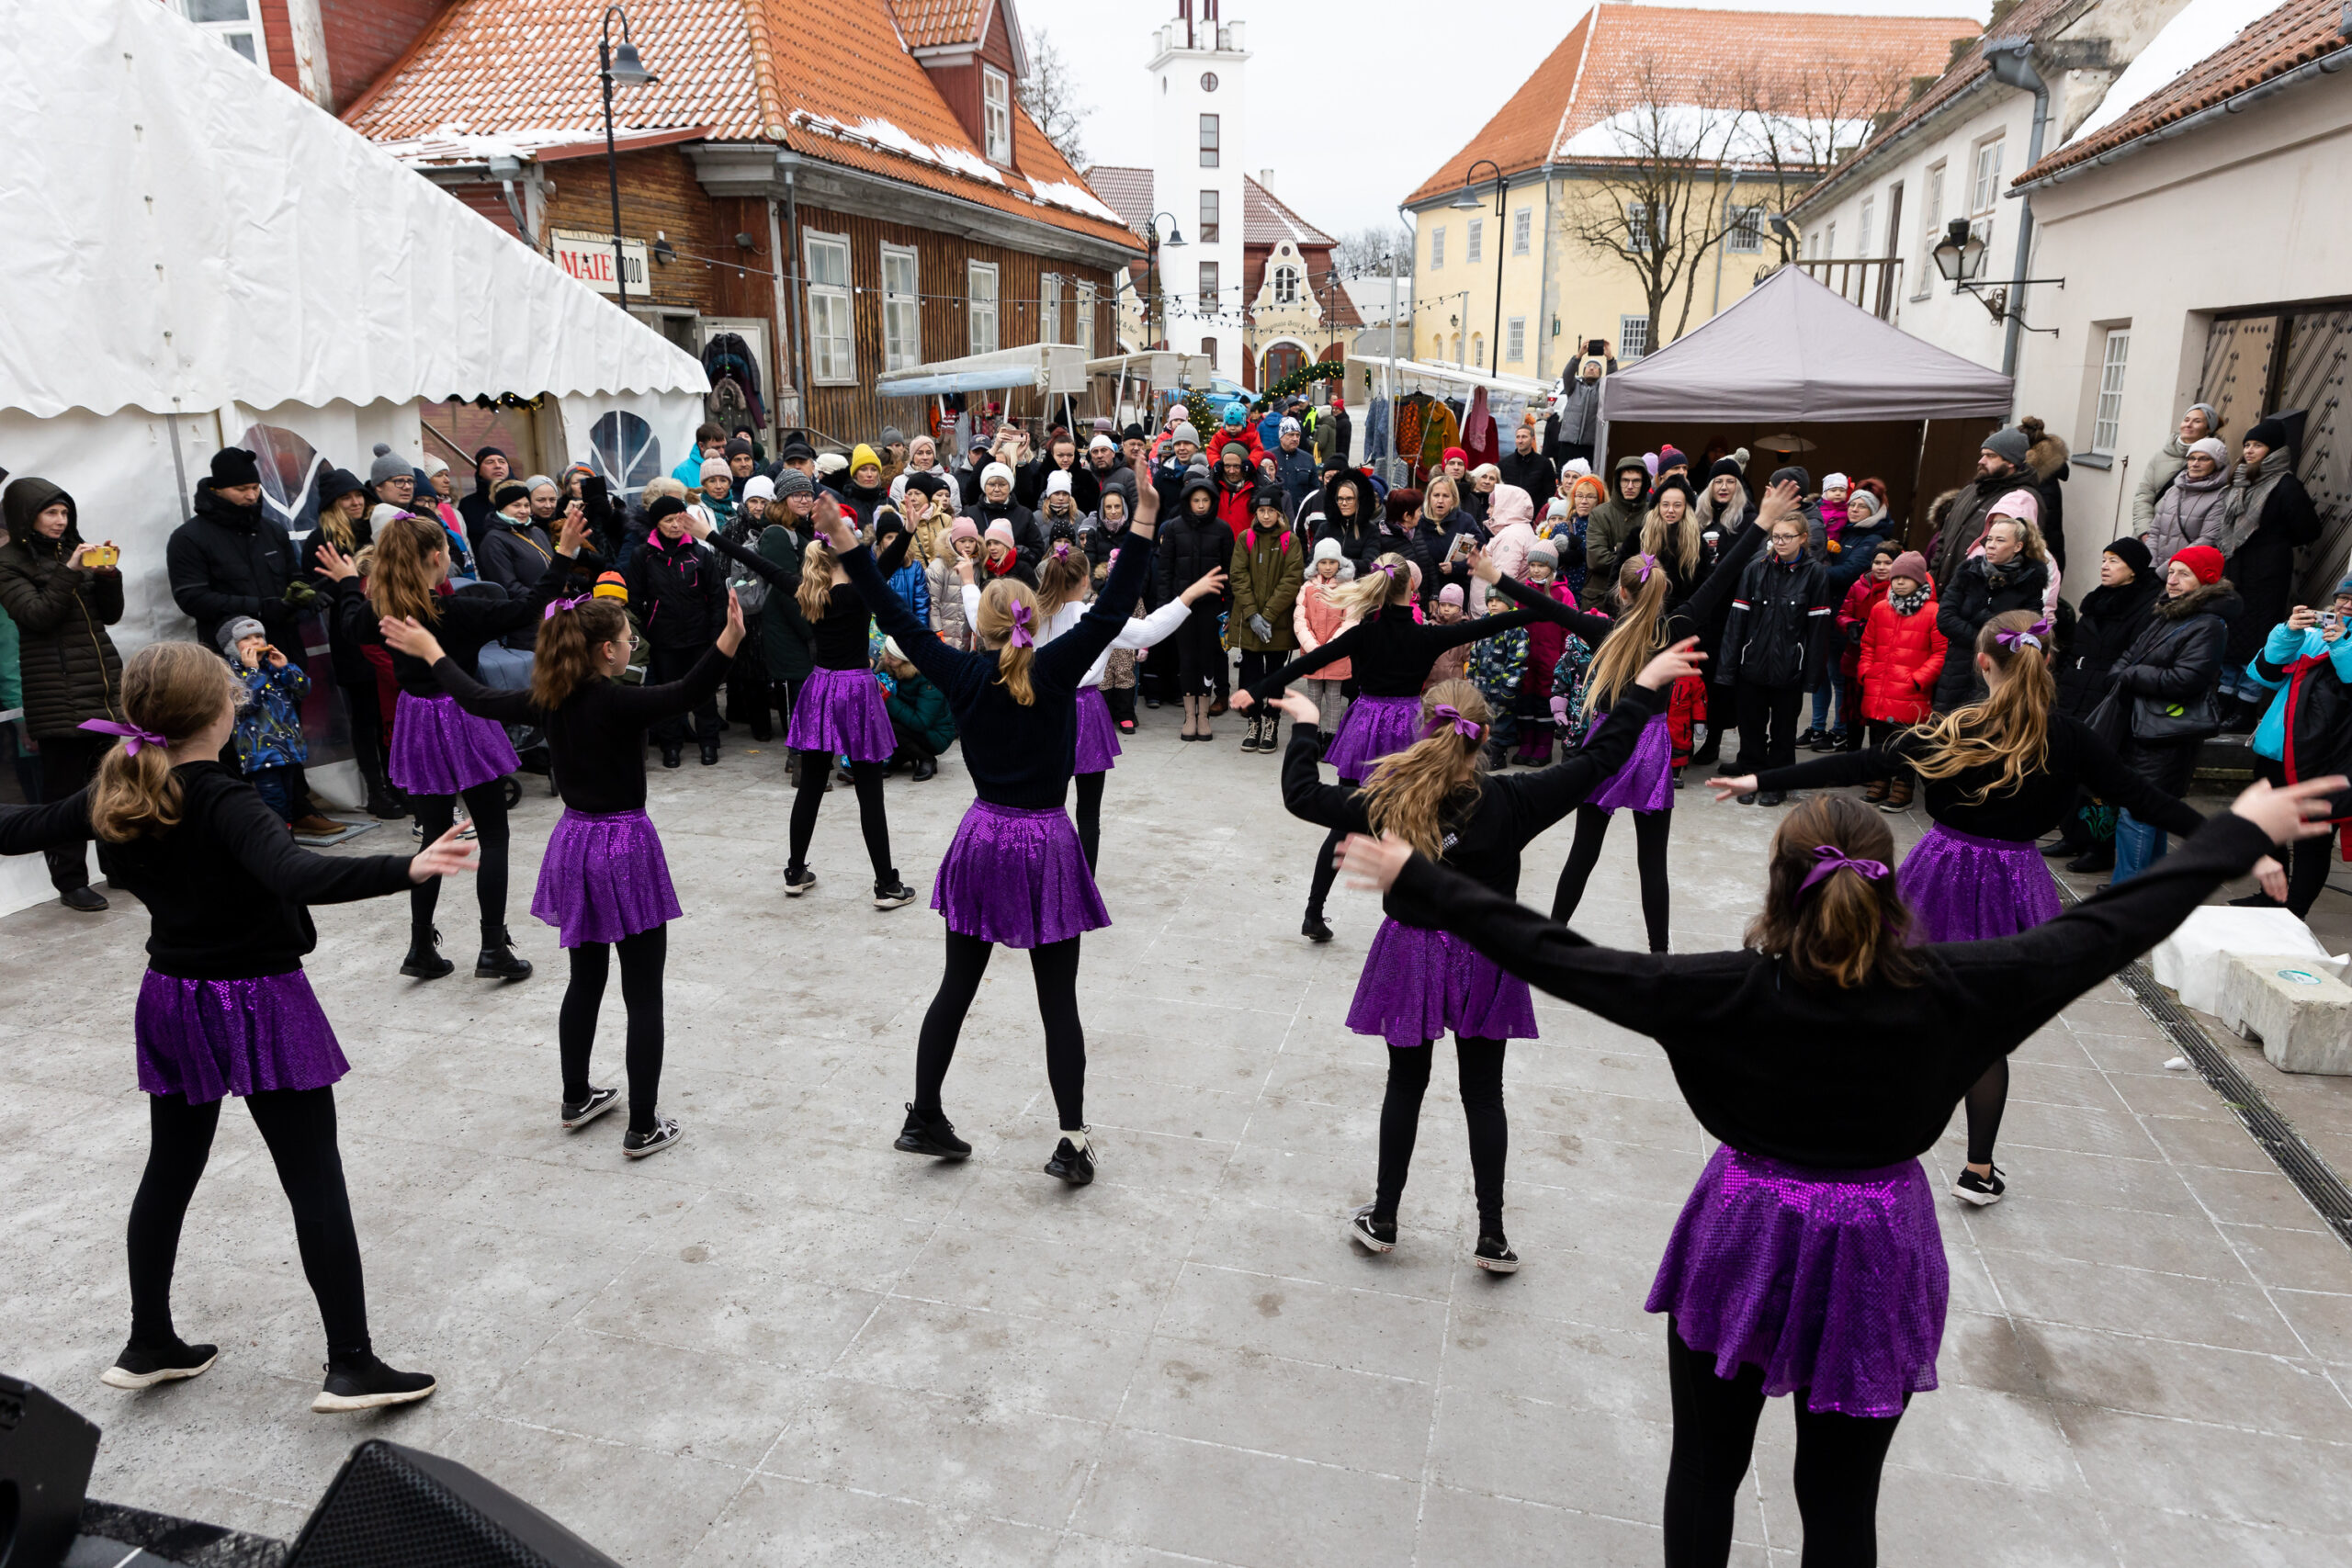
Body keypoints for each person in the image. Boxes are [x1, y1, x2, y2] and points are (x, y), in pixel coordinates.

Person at [1340, 773, 2340, 1568]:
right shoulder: (1963, 990)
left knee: (1706, 1467)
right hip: (1879, 1240)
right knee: (1840, 1500)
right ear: (1890, 884)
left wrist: (1420, 882)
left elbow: (1562, 955)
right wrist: (2234, 830)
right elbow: (2105, 927)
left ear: (1776, 885)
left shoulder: (1718, 992)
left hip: (1744, 1226)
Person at [0, 640, 478, 1411]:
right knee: (313, 1175)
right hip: (257, 999)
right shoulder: (224, 798)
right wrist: (409, 865)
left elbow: (15, 829)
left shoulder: (121, 788)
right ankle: (351, 1362)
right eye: (229, 692)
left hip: (172, 996)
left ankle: (148, 1339)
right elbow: (297, 874)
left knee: (171, 1167)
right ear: (216, 713)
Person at [1722, 605, 2218, 1204]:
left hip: (1941, 873)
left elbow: (1866, 763)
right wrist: (2242, 840)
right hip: (2014, 884)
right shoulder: (2070, 738)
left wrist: (1760, 777)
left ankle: (1867, 1131)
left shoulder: (1956, 729)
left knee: (1897, 998)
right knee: (1982, 1032)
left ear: (1983, 663)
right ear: (2047, 662)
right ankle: (1978, 1170)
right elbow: (2146, 798)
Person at [1268, 648, 1699, 1266]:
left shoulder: (1389, 798)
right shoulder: (1516, 801)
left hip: (1411, 955)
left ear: (1425, 728)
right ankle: (1491, 1234)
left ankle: (1385, 1217)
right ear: (1485, 736)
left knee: (1406, 1084)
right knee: (1483, 1092)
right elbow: (1602, 758)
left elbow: (1303, 794)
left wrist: (1308, 724)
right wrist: (1646, 688)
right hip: (1488, 956)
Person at [825, 488, 1163, 1185]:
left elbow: (892, 614)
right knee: (1058, 1001)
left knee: (955, 984)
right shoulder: (1056, 665)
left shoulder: (961, 670)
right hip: (1043, 843)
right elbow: (1109, 608)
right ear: (1034, 620)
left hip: (982, 837)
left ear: (978, 628)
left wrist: (849, 546)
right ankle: (1070, 1140)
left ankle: (924, 1114)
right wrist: (1145, 522)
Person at [381, 585, 748, 1158]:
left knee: (586, 978)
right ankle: (643, 1124)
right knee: (643, 991)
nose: (632, 648)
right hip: (625, 845)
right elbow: (690, 690)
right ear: (606, 650)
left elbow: (474, 696)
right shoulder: (619, 700)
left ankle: (576, 1096)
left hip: (575, 840)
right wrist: (729, 639)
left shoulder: (545, 698)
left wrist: (432, 651)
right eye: (628, 640)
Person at [314, 512, 590, 981]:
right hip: (464, 713)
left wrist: (347, 583)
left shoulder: (376, 614)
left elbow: (348, 625)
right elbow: (526, 608)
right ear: (439, 557)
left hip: (416, 721)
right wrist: (562, 555)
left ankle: (421, 946)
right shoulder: (457, 611)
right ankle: (492, 947)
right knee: (494, 833)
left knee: (434, 837)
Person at [1232, 551, 1549, 942]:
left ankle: (1314, 911)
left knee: (1345, 822)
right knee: (1415, 821)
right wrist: (1544, 606)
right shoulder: (1427, 635)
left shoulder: (1364, 633)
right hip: (1406, 733)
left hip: (1365, 725)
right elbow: (1504, 621)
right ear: (1412, 588)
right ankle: (1411, 913)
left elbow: (1301, 665)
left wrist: (1255, 689)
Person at [0, 475, 128, 908]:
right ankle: (70, 881)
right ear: (26, 516)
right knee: (64, 796)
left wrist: (108, 577)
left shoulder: (75, 551)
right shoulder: (8, 562)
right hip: (57, 697)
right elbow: (37, 615)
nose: (60, 521)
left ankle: (118, 866)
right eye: (51, 513)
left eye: (65, 513)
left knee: (111, 784)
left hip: (102, 691)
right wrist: (70, 572)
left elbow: (109, 616)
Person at [2109, 545, 2239, 882]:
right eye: (2172, 572)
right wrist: (2128, 671)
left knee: (2137, 813)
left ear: (2205, 580)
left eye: (2184, 574)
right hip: (2143, 724)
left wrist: (2132, 675)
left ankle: (2127, 893)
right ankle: (2144, 888)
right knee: (2149, 813)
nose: (2173, 580)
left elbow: (2186, 679)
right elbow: (2128, 655)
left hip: (2167, 731)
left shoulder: (2208, 624)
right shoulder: (2169, 612)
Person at [2049, 538, 2164, 868]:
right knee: (2068, 766)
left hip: (2106, 695)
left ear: (2134, 569)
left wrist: (2107, 681)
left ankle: (2098, 847)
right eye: (2104, 559)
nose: (2104, 566)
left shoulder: (2145, 606)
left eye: (2114, 560)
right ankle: (2072, 835)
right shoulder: (2097, 600)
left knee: (2098, 773)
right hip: (2074, 690)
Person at [2239, 581, 2352, 916]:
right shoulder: (2313, 633)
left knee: (2311, 838)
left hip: (2326, 757)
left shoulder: (2338, 639)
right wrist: (2287, 633)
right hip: (2278, 748)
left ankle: (2294, 912)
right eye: (2342, 598)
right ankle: (2271, 897)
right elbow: (2264, 673)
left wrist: (2343, 644)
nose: (2345, 606)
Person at [301, 474, 401, 819]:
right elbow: (312, 589)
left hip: (388, 628)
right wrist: (348, 581)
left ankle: (398, 783)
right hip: (351, 635)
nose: (356, 502)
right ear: (331, 504)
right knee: (366, 717)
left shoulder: (375, 528)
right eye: (346, 498)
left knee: (392, 713)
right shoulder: (322, 539)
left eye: (358, 495)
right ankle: (377, 790)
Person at [1720, 508, 1837, 800]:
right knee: (1751, 728)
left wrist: (1812, 676)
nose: (1781, 542)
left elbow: (1819, 629)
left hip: (1790, 668)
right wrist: (1728, 667)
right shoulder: (1755, 570)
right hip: (1753, 664)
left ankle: (1775, 783)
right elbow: (1737, 622)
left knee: (1784, 731)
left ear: (1803, 538)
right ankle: (1750, 777)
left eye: (1787, 536)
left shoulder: (1815, 574)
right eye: (1776, 537)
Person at [2216, 417, 2324, 727]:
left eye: (2257, 445)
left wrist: (2274, 543)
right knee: (2231, 635)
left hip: (2266, 578)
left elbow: (2308, 529)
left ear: (2274, 450)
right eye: (2247, 444)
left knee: (2256, 639)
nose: (2249, 451)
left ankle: (2246, 707)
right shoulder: (2241, 481)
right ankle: (2224, 700)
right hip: (2235, 571)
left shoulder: (2286, 485)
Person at [626, 495, 729, 769]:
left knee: (703, 691)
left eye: (679, 519)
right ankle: (671, 745)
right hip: (662, 637)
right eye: (668, 520)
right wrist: (643, 632)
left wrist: (716, 632)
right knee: (667, 693)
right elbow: (634, 598)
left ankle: (709, 741)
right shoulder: (643, 556)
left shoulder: (700, 553)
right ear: (656, 524)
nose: (675, 525)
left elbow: (717, 596)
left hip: (700, 635)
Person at [1849, 551, 1945, 810]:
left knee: (1906, 742)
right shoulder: (1881, 609)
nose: (1900, 582)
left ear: (1920, 580)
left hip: (1910, 692)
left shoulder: (1933, 612)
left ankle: (1903, 787)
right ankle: (1879, 781)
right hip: (1879, 687)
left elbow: (1940, 652)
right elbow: (1868, 643)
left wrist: (1918, 680)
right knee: (1879, 739)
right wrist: (1866, 672)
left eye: (1907, 577)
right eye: (1896, 577)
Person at [1933, 509, 2051, 712]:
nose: (1991, 545)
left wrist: (1993, 643)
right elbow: (1945, 618)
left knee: (1988, 726)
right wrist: (1989, 638)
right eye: (1990, 539)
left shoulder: (2030, 581)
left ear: (2017, 546)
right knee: (1947, 726)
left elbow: (2032, 628)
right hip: (1958, 666)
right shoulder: (1967, 572)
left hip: (2001, 667)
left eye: (2000, 540)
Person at [1159, 471, 1236, 741]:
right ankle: (1189, 715)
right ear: (1187, 501)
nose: (1201, 505)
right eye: (1196, 500)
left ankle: (1204, 714)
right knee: (1187, 658)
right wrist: (1164, 606)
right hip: (1182, 606)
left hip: (1212, 606)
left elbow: (1230, 572)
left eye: (1205, 500)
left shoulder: (1223, 530)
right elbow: (1165, 570)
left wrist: (1230, 606)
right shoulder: (1173, 528)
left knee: (1208, 658)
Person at [1228, 484, 1304, 754]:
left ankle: (1271, 722)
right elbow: (1238, 576)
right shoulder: (1245, 538)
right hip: (1249, 621)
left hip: (1278, 622)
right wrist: (1252, 614)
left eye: (1271, 511)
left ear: (1279, 513)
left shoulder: (1289, 541)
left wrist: (1268, 615)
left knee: (1275, 675)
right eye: (1262, 510)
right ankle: (1254, 721)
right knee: (1250, 673)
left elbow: (1292, 579)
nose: (1266, 516)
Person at [220, 617, 311, 826]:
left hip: (288, 751)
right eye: (246, 638)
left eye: (259, 636)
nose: (256, 642)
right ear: (232, 646)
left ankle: (286, 839)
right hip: (260, 756)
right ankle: (280, 844)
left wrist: (286, 668)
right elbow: (246, 704)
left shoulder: (273, 668)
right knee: (273, 803)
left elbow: (303, 690)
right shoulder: (231, 674)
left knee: (288, 799)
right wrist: (252, 671)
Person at [1926, 425, 2030, 592]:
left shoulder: (2018, 500)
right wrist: (1934, 574)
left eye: (1990, 456)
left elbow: (2019, 556)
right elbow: (1944, 538)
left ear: (2011, 461)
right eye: (1982, 455)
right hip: (1944, 590)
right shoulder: (1969, 491)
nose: (1981, 461)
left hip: (1975, 594)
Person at [1829, 544, 1899, 759]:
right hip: (1855, 658)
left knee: (1877, 717)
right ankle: (1852, 756)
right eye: (1877, 562)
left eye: (1887, 563)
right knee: (1853, 712)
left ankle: (1873, 761)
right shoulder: (1859, 585)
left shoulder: (1899, 588)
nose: (1881, 567)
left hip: (1884, 662)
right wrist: (1851, 626)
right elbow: (1843, 613)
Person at [1293, 538, 1356, 750]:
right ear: (1316, 564)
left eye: (1332, 562)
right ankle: (1313, 734)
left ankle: (1332, 735)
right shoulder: (1308, 588)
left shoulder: (1348, 588)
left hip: (1337, 654)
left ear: (1339, 563)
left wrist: (1332, 648)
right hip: (1313, 653)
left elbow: (1351, 621)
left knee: (1334, 697)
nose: (1328, 567)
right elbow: (1301, 620)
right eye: (1323, 562)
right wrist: (1312, 647)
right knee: (1313, 695)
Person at [2131, 402, 2223, 537]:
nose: (2188, 425)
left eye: (2197, 421)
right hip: (2148, 536)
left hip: (2180, 539)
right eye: (2186, 420)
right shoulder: (2160, 457)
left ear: (2208, 428)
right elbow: (2144, 495)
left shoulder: (2215, 459)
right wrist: (2145, 531)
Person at [2143, 435, 2232, 562]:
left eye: (2204, 459)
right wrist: (2150, 565)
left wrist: (2166, 571)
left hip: (2186, 572)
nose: (2195, 464)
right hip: (2156, 571)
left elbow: (2207, 540)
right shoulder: (2174, 490)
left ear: (2217, 464)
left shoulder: (2221, 495)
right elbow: (2155, 531)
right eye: (2192, 458)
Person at [879, 638, 955, 781]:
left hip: (936, 734)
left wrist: (888, 700)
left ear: (907, 662)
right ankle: (902, 755)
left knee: (891, 729)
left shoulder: (928, 679)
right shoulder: (891, 668)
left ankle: (927, 758)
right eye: (886, 656)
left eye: (892, 659)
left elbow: (921, 722)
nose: (887, 661)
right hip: (909, 724)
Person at [1585, 456, 1651, 602]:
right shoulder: (1600, 513)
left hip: (1640, 595)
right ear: (1618, 482)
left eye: (1636, 481)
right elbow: (1596, 559)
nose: (1630, 486)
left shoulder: (1652, 515)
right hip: (1600, 596)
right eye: (1625, 480)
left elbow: (1655, 556)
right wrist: (1637, 556)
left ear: (1644, 483)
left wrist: (1619, 549)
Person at [1499, 419, 1557, 502]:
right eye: (1518, 437)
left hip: (1536, 510)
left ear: (1533, 439)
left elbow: (1550, 492)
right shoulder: (1504, 464)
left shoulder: (1545, 464)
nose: (1520, 441)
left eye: (1524, 437)